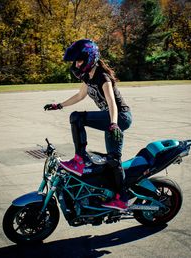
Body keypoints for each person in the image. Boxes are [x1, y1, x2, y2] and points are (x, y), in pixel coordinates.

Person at [44, 39, 132, 210]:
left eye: (79, 60)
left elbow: (112, 103)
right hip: (110, 119)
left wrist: (114, 124)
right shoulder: (87, 76)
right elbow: (79, 96)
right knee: (113, 160)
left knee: (77, 118)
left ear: (90, 58)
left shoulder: (103, 77)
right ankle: (119, 196)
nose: (76, 64)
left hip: (120, 117)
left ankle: (80, 160)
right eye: (75, 61)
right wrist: (59, 105)